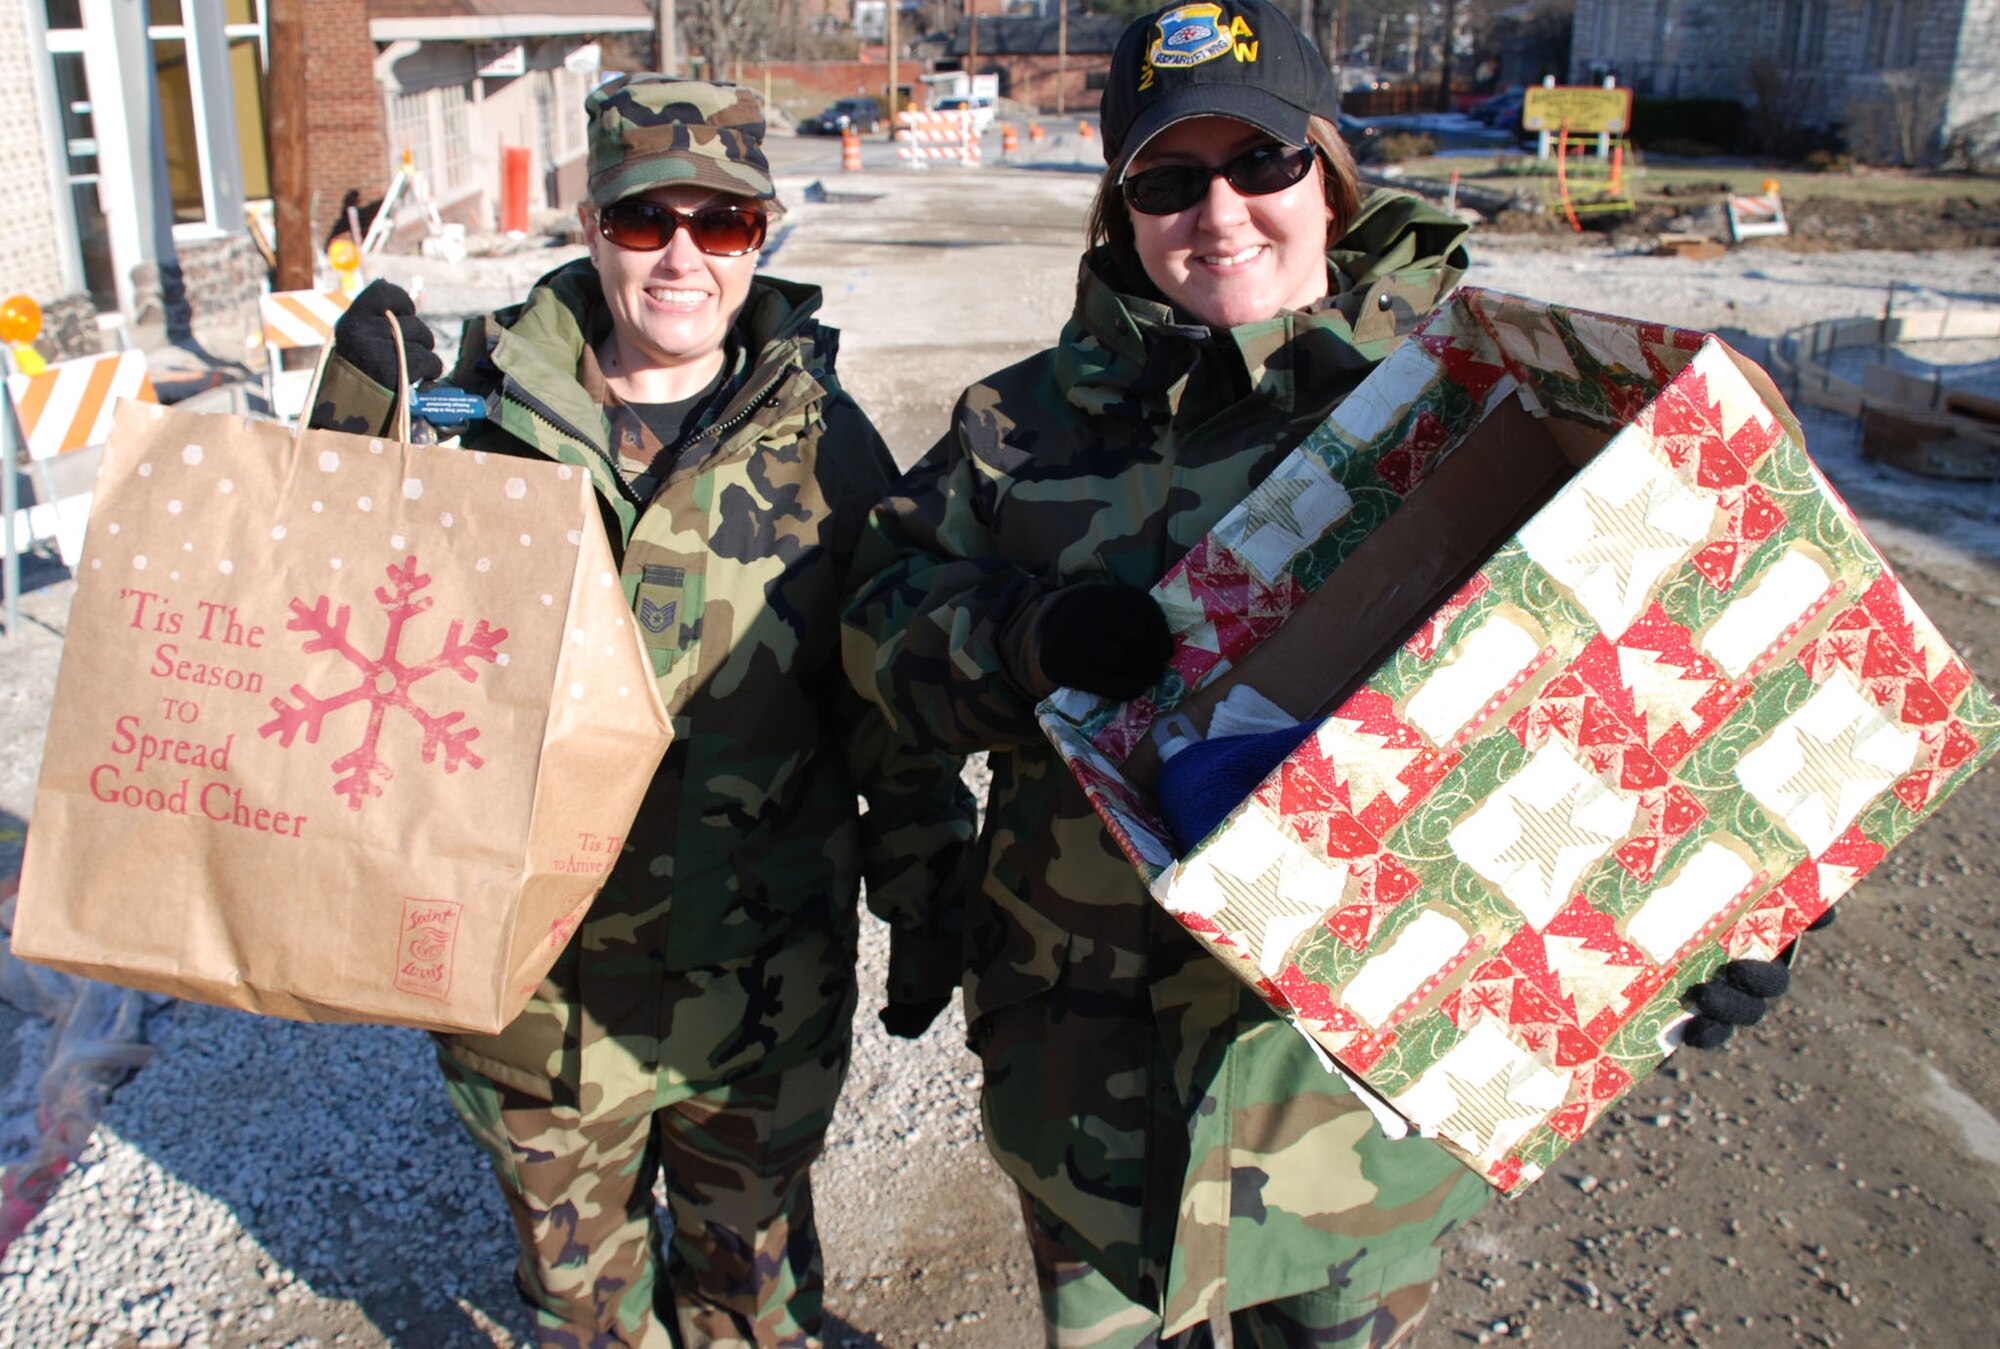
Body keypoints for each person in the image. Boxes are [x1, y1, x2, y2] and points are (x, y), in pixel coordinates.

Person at [315, 77, 972, 1347]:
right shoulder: (478, 429)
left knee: (753, 1304)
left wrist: (929, 898)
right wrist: (346, 445)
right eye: (642, 218)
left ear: (762, 231)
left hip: (760, 1005)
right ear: (589, 222)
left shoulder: (826, 448)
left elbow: (891, 724)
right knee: (582, 1314)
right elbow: (335, 641)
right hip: (533, 1006)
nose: (680, 253)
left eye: (718, 223)